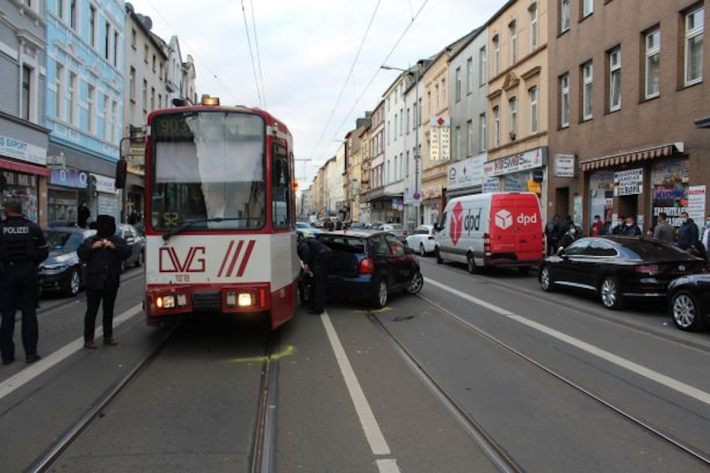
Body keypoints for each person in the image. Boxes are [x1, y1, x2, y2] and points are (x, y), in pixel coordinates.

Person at [0, 200, 48, 364]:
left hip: (7, 273)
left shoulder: (1, 228)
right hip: (28, 273)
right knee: (29, 313)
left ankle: (7, 356)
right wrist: (33, 262)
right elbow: (44, 251)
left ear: (7, 212)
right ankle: (30, 353)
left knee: (7, 315)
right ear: (21, 211)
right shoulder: (33, 227)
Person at [78, 215, 131, 349]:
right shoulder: (90, 240)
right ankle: (88, 339)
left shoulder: (118, 241)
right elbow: (81, 254)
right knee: (92, 311)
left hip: (111, 281)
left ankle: (108, 336)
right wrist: (92, 247)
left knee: (108, 310)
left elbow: (126, 253)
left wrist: (113, 247)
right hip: (94, 282)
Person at [297, 234, 332, 315]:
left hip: (321, 258)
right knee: (316, 284)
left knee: (318, 286)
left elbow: (306, 251)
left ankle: (318, 309)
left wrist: (305, 264)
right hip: (325, 257)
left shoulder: (301, 245)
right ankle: (314, 305)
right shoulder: (310, 241)